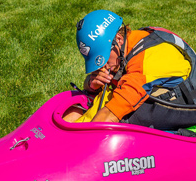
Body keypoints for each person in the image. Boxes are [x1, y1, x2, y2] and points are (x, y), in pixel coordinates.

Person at [68, 9, 196, 131]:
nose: (102, 68)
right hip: (162, 88)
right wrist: (91, 83)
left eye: (103, 59)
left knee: (124, 122)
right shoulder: (129, 43)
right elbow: (96, 90)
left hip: (188, 105)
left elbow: (111, 114)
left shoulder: (146, 60)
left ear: (118, 39)